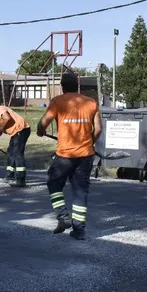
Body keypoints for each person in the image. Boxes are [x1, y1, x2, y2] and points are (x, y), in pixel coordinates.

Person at [37, 72, 102, 240]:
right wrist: (89, 143)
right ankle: (79, 230)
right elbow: (99, 129)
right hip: (86, 155)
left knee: (54, 183)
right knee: (80, 191)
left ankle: (63, 217)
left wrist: (40, 131)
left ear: (62, 86)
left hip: (65, 155)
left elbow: (43, 123)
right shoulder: (91, 102)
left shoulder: (58, 101)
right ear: (77, 86)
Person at [0, 103, 31, 187]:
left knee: (17, 154)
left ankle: (21, 179)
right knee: (10, 154)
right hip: (15, 133)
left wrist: (0, 128)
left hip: (21, 129)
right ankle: (10, 176)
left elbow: (7, 117)